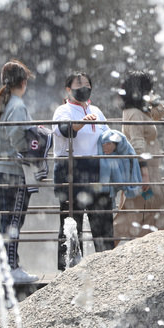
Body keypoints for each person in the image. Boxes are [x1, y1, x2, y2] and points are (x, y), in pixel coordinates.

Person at [52, 72, 114, 271]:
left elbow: (108, 134)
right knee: (71, 224)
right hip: (71, 172)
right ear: (68, 89)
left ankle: (106, 269)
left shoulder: (96, 110)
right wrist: (81, 123)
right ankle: (67, 272)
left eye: (87, 85)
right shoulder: (64, 110)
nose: (83, 88)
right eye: (78, 85)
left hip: (96, 172)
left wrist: (111, 144)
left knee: (103, 224)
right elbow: (64, 129)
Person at [0, 59, 38, 283]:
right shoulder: (17, 105)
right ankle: (11, 268)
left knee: (5, 219)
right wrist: (32, 146)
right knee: (14, 220)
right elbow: (17, 135)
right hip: (12, 170)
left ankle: (3, 267)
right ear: (23, 81)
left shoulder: (2, 103)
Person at [114, 70, 164, 241]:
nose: (150, 92)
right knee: (138, 211)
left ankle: (156, 244)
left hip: (151, 168)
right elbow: (137, 144)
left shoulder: (142, 110)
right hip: (142, 170)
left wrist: (152, 99)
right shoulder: (133, 113)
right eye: (147, 89)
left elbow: (161, 112)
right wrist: (144, 173)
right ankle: (117, 242)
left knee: (154, 210)